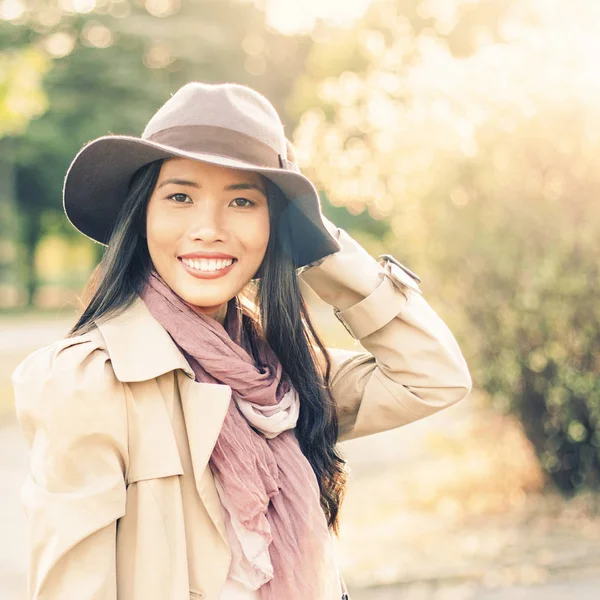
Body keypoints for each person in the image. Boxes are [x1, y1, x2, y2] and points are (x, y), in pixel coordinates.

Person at [12, 82, 472, 600]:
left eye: (242, 200)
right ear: (141, 216)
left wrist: (319, 245)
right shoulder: (92, 382)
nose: (208, 229)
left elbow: (433, 376)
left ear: (273, 227)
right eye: (181, 197)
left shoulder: (282, 376)